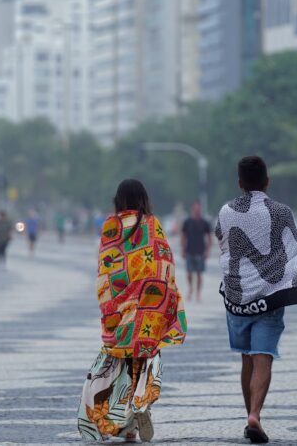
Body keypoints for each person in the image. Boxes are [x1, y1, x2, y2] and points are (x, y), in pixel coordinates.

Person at [216, 156, 297, 444]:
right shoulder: (281, 211)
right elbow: (295, 249)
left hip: (237, 299)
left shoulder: (226, 212)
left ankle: (249, 414)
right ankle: (255, 414)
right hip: (269, 299)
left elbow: (222, 242)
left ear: (239, 183)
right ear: (267, 181)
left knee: (246, 359)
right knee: (263, 357)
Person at [78, 179, 187, 443]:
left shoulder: (111, 226)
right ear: (143, 199)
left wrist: (109, 307)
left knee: (115, 363)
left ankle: (118, 422)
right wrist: (167, 304)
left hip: (121, 309)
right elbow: (164, 264)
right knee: (145, 360)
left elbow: (106, 269)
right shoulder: (152, 224)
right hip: (149, 309)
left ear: (118, 199)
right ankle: (140, 407)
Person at [181, 201, 212, 302]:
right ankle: (190, 288)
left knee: (199, 274)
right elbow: (183, 236)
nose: (197, 211)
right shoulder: (187, 222)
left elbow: (209, 237)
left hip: (200, 251)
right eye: (195, 209)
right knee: (189, 273)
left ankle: (198, 293)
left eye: (198, 209)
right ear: (192, 209)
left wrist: (207, 250)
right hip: (189, 250)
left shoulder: (204, 222)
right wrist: (183, 249)